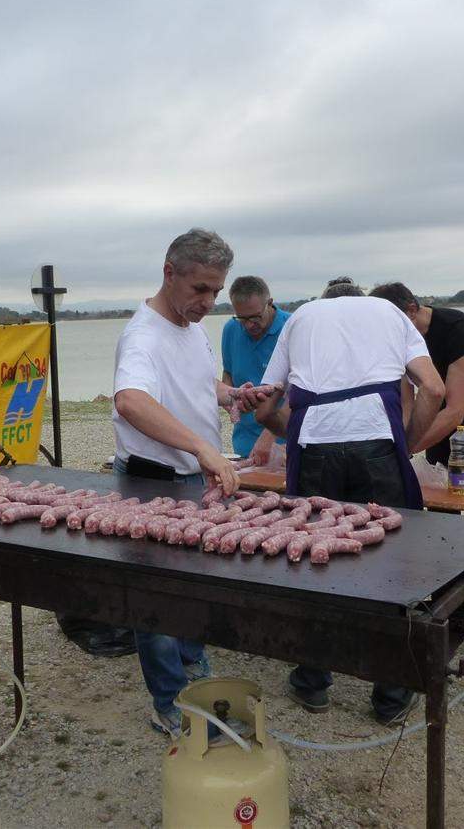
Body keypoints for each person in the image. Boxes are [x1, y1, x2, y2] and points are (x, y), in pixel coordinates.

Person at [255, 277, 446, 721]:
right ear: (361, 298)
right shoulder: (392, 314)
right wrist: (408, 442)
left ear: (324, 301)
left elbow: (265, 407)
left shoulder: (300, 316)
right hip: (378, 447)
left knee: (312, 562)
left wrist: (296, 435)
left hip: (315, 451)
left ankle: (312, 681)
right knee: (392, 565)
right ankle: (391, 694)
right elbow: (434, 390)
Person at [112, 227, 267, 738]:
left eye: (216, 291)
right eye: (200, 289)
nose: (208, 302)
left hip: (194, 483)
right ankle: (168, 703)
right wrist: (201, 447)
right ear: (169, 272)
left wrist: (228, 394)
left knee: (196, 584)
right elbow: (131, 400)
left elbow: (193, 383)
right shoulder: (143, 334)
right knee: (154, 600)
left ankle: (192, 667)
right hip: (150, 480)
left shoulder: (191, 328)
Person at [370, 282, 464, 473]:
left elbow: (455, 411)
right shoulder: (398, 340)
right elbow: (407, 403)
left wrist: (406, 448)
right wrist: (401, 442)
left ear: (411, 311)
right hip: (437, 417)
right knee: (438, 486)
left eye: (388, 323)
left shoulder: (460, 331)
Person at [221, 275, 290, 463]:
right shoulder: (231, 329)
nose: (250, 324)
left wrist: (269, 437)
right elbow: (228, 373)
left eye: (256, 317)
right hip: (243, 442)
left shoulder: (291, 327)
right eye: (243, 318)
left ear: (270, 303)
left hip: (285, 445)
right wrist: (229, 401)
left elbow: (300, 390)